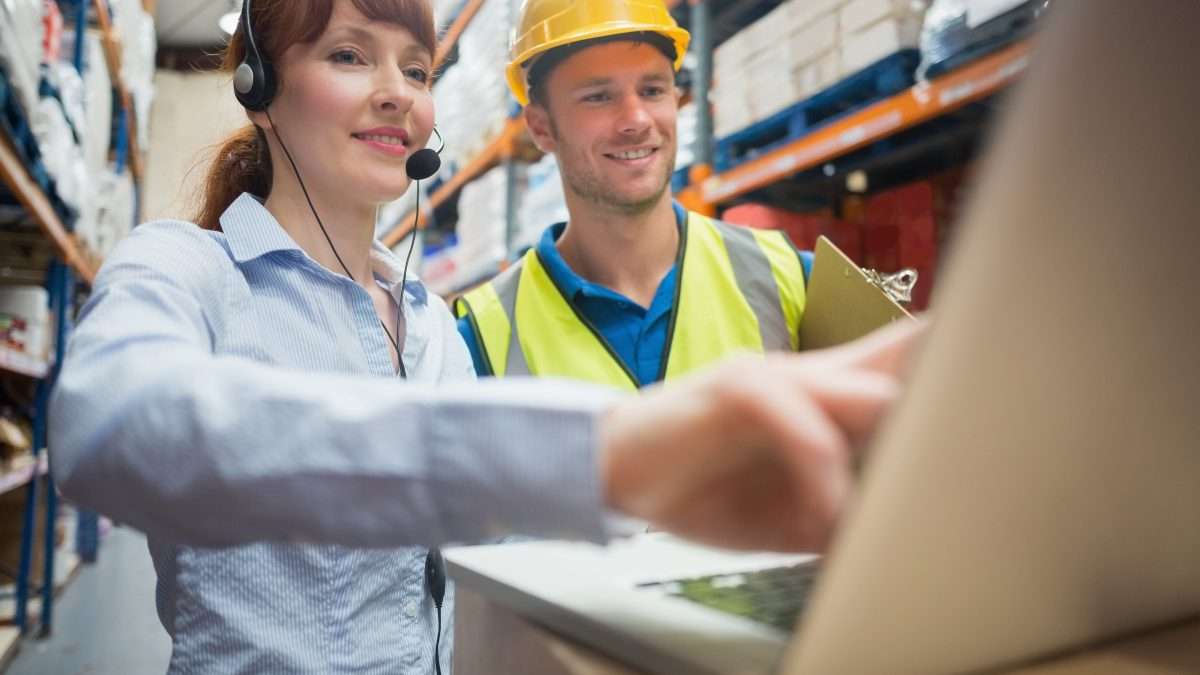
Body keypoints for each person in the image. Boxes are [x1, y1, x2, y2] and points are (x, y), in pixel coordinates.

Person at [47, 0, 924, 673]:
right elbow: (109, 425)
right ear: (261, 92)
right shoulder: (190, 270)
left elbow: (498, 557)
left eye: (418, 69)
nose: (398, 91)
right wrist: (610, 451)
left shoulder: (431, 328)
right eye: (350, 55)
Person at [455, 0, 813, 387]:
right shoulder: (482, 337)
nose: (637, 120)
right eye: (598, 97)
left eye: (653, 90)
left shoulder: (788, 277)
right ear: (541, 128)